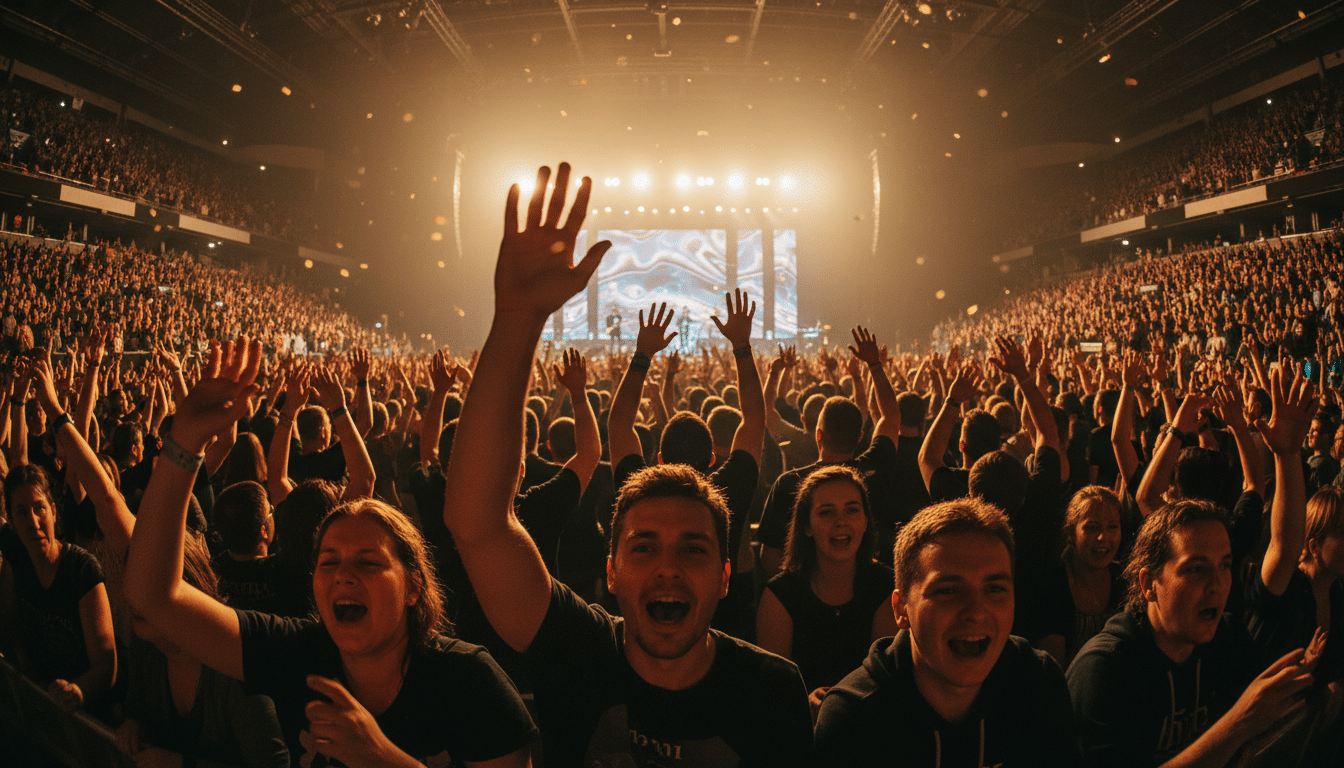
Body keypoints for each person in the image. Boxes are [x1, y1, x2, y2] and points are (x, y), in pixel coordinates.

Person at [441, 163, 812, 767]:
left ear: (725, 575)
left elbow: (617, 428)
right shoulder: (576, 650)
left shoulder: (773, 692)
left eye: (693, 548)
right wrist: (517, 317)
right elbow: (476, 523)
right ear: (610, 572)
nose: (667, 566)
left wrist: (639, 362)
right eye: (643, 547)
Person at [125, 337, 537, 767]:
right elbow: (152, 596)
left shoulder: (469, 681)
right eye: (329, 561)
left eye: (368, 561)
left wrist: (381, 758)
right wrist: (185, 442)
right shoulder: (295, 655)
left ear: (414, 586)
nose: (343, 574)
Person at [813, 497, 1081, 766]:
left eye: (995, 588)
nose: (976, 612)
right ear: (901, 608)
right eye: (948, 590)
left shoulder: (1038, 683)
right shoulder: (854, 716)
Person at [1067, 499, 1321, 767]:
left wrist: (1301, 695)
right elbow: (1243, 723)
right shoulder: (1103, 671)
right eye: (1197, 569)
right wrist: (1238, 724)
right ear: (1149, 584)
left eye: (1224, 565)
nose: (1217, 584)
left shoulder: (1227, 637)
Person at [0, 355, 117, 715]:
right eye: (21, 512)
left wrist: (78, 690)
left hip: (87, 716)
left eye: (39, 508)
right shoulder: (15, 555)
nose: (33, 520)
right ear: (10, 519)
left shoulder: (82, 570)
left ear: (53, 511)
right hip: (37, 706)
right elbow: (10, 630)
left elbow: (107, 665)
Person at [117, 529, 289, 768]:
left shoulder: (234, 661)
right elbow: (137, 711)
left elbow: (274, 765)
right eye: (133, 577)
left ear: (188, 586)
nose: (137, 594)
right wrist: (133, 725)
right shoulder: (145, 644)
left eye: (152, 579)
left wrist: (183, 765)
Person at [755, 465, 898, 696]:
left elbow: (887, 681)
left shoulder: (887, 587)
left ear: (865, 521)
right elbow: (773, 689)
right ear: (807, 526)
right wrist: (806, 704)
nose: (841, 521)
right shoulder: (780, 594)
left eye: (852, 510)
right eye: (826, 512)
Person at [1021, 486, 1127, 667]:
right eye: (1092, 527)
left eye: (1112, 527)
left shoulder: (1123, 580)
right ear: (1071, 532)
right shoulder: (1053, 585)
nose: (1103, 537)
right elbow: (1053, 668)